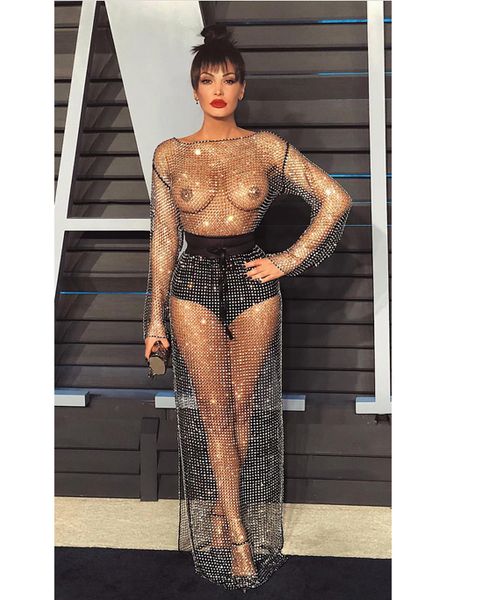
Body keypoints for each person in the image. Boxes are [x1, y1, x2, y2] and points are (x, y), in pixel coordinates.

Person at [142, 23, 352, 591]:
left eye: (229, 79)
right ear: (193, 90)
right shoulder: (170, 154)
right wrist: (154, 318)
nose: (219, 89)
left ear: (243, 88)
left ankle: (222, 513)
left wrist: (288, 260)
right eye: (208, 80)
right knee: (213, 411)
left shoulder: (265, 148)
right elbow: (164, 238)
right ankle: (235, 535)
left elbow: (336, 198)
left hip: (253, 284)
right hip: (191, 285)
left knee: (242, 408)